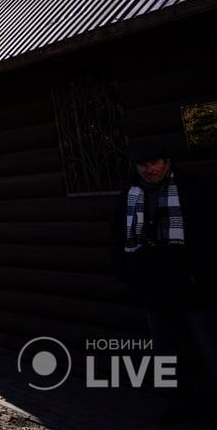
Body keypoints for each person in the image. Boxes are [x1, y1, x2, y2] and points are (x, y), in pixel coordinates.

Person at [113, 139, 217, 426]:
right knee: (166, 352)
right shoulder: (130, 196)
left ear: (167, 163)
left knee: (210, 347)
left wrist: (202, 272)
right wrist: (127, 273)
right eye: (142, 165)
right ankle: (176, 406)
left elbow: (208, 233)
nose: (148, 170)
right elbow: (118, 237)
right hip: (155, 287)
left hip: (195, 285)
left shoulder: (191, 190)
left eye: (153, 164)